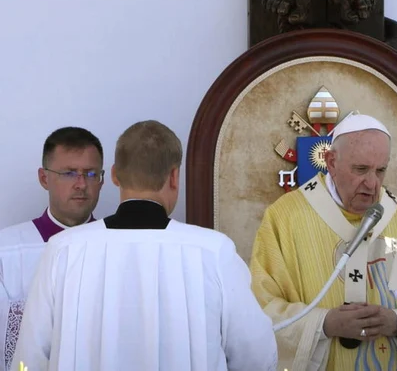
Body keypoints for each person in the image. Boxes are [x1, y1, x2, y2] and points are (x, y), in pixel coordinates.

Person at [11, 120, 277, 371]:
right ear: (174, 177)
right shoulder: (212, 250)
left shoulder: (63, 249)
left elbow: (29, 359)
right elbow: (256, 356)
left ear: (114, 176)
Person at [250, 114, 397, 371]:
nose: (372, 184)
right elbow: (260, 308)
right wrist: (324, 324)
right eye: (360, 169)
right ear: (331, 162)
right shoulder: (285, 217)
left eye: (380, 170)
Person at [0, 126, 104, 371]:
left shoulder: (116, 248)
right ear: (44, 178)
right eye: (69, 173)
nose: (81, 184)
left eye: (90, 174)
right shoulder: (7, 250)